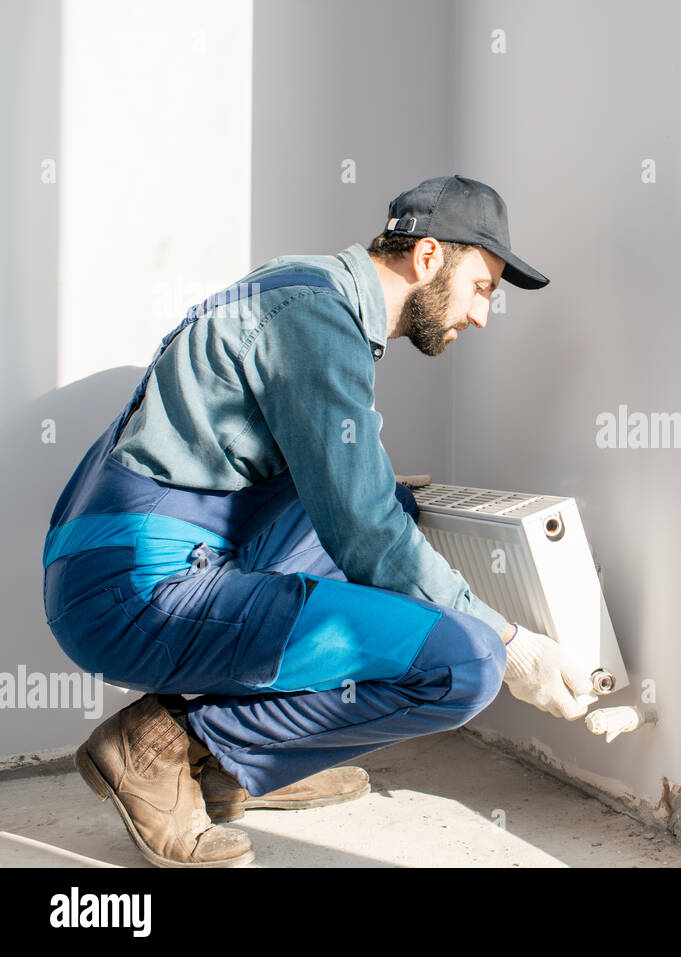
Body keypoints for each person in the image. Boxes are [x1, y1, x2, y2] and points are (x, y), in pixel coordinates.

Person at [42, 174, 595, 868]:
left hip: (114, 558)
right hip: (130, 587)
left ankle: (234, 762)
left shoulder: (303, 287)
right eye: (482, 286)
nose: (483, 314)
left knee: (389, 501)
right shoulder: (320, 321)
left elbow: (360, 507)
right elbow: (364, 534)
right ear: (427, 258)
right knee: (466, 663)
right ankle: (165, 745)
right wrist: (512, 643)